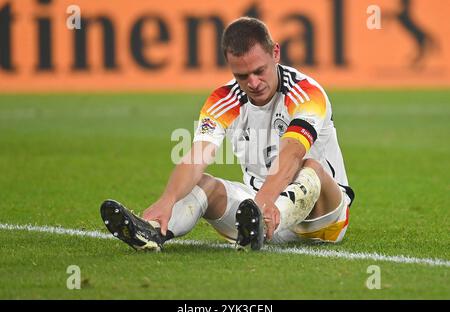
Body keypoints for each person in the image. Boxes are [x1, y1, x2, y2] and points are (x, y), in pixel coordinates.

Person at [100, 17, 354, 251]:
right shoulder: (223, 100)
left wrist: (263, 202)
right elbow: (197, 155)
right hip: (255, 212)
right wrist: (168, 199)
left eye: (259, 71)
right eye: (242, 76)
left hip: (321, 217)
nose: (253, 83)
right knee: (203, 185)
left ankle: (260, 223)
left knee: (311, 167)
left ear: (275, 53)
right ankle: (153, 231)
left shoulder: (306, 94)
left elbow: (293, 151)